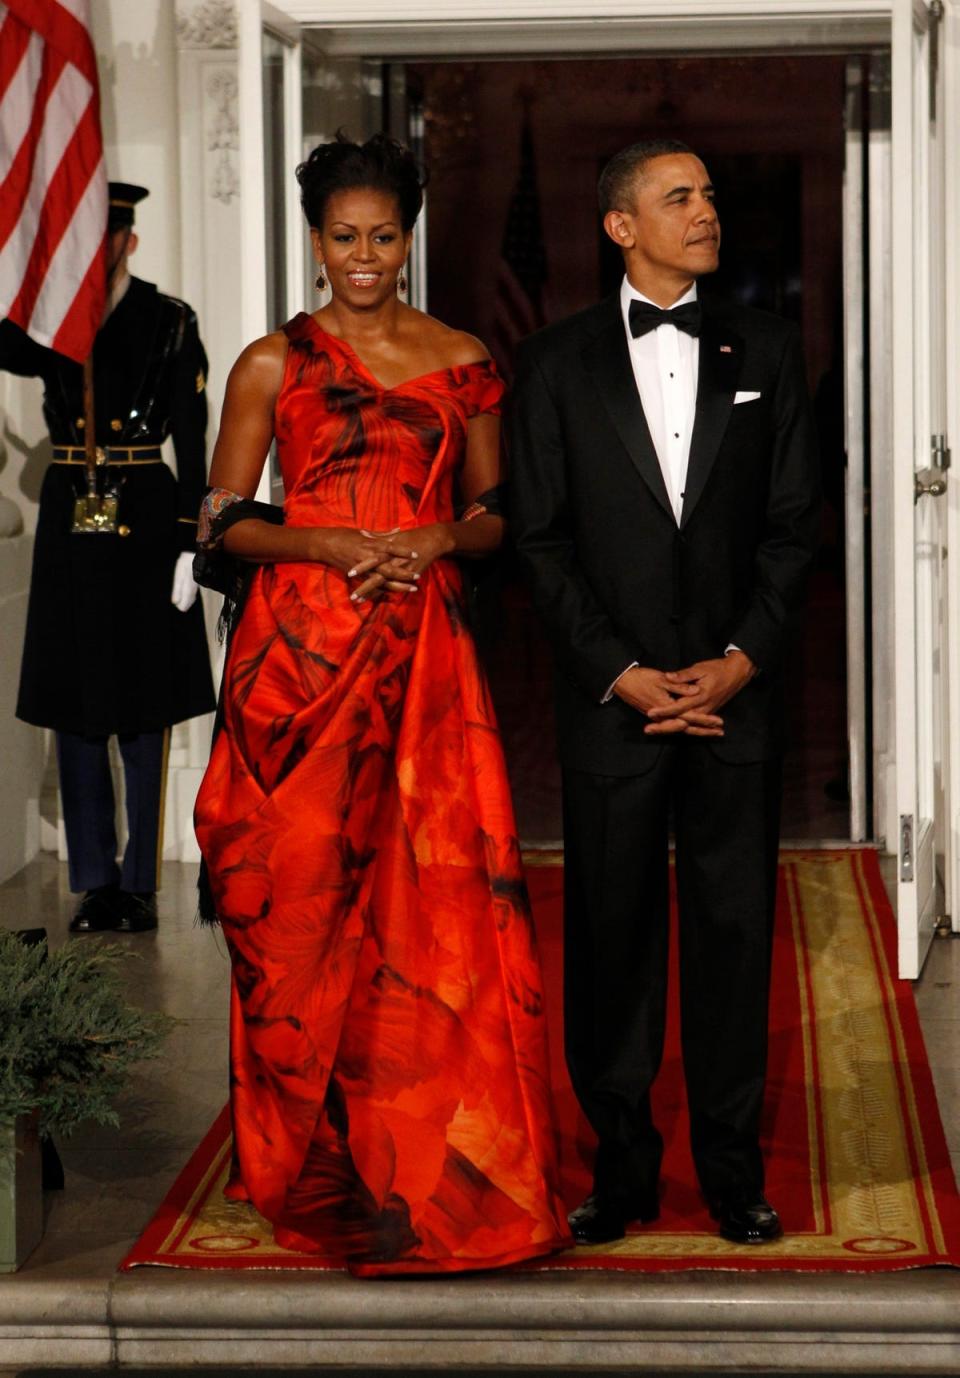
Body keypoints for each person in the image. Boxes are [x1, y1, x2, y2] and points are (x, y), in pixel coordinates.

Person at [193, 133, 569, 1275]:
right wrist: (331, 538)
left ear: (410, 236)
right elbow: (219, 522)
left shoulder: (464, 359)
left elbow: (500, 518)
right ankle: (307, 1157)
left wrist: (434, 539)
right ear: (315, 240)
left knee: (431, 910)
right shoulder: (272, 363)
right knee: (295, 908)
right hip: (297, 663)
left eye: (383, 237)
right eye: (343, 238)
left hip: (427, 663)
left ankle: (431, 1157)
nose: (364, 258)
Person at [508, 139, 821, 1247]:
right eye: (679, 197)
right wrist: (623, 673)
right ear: (619, 226)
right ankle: (622, 1173)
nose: (707, 211)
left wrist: (739, 660)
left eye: (711, 196)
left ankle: (733, 1175)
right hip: (615, 704)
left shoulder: (773, 353)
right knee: (611, 938)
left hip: (735, 696)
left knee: (735, 938)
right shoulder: (551, 366)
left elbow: (793, 532)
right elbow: (540, 545)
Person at [0, 183, 215, 935]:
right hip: (71, 506)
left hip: (147, 513)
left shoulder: (168, 320)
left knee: (144, 701)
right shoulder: (54, 321)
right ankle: (93, 882)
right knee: (76, 702)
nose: (97, 255)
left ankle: (138, 881)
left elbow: (192, 438)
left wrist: (195, 539)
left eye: (108, 241)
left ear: (128, 241)